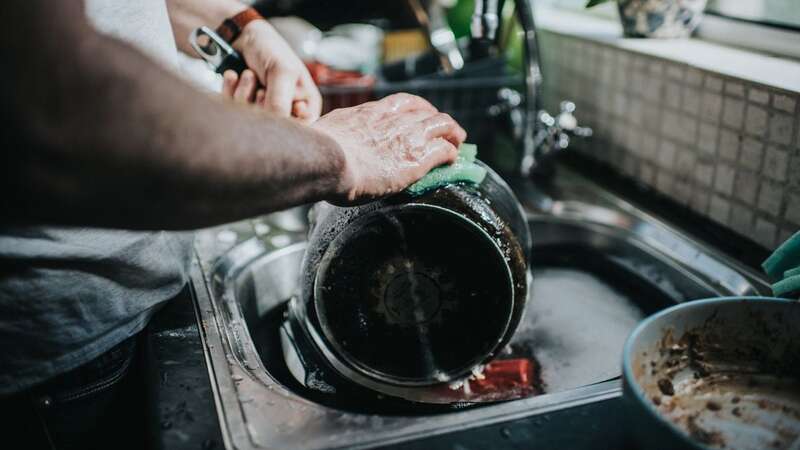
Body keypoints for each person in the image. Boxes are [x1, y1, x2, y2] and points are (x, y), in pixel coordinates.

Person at [0, 0, 465, 448]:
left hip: (118, 310)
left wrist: (239, 27)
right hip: (50, 373)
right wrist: (337, 156)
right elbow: (53, 105)